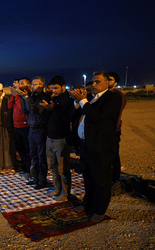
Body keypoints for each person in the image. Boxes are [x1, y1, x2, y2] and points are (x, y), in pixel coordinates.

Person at [69, 71, 121, 222]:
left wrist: (83, 100)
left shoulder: (113, 98)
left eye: (97, 82)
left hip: (101, 148)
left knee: (101, 180)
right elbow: (79, 114)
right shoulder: (91, 98)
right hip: (86, 146)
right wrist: (77, 101)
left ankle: (99, 210)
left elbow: (97, 117)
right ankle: (87, 205)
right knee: (88, 178)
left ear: (107, 83)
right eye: (92, 82)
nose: (93, 85)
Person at [40, 76, 73, 201]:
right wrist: (47, 109)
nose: (53, 90)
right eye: (52, 88)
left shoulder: (68, 100)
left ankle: (65, 193)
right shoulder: (52, 98)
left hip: (61, 139)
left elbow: (68, 119)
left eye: (56, 88)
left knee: (63, 168)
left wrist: (55, 108)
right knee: (52, 166)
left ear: (63, 87)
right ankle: (57, 188)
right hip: (50, 137)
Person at [21, 76, 50, 189]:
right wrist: (23, 98)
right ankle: (36, 177)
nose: (31, 86)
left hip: (40, 129)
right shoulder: (32, 96)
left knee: (41, 156)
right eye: (32, 84)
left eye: (34, 84)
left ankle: (42, 180)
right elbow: (25, 111)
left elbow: (35, 110)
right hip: (31, 128)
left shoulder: (44, 97)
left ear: (41, 85)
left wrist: (26, 97)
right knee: (33, 155)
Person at [8, 77, 31, 175]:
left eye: (19, 83)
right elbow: (9, 106)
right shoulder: (16, 96)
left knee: (26, 149)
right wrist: (13, 96)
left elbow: (22, 108)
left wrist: (16, 95)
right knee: (20, 148)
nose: (16, 85)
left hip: (25, 126)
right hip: (16, 125)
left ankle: (28, 168)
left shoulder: (26, 95)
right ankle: (23, 165)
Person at [108, 72, 127, 183]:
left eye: (110, 80)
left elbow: (115, 114)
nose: (108, 82)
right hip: (104, 130)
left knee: (114, 153)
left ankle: (115, 177)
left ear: (115, 83)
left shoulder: (119, 96)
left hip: (114, 129)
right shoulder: (103, 94)